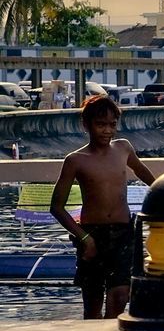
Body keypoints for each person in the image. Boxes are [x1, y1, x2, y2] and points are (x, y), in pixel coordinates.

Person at [51, 95, 156, 319]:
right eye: (100, 125)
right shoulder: (75, 160)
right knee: (93, 303)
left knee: (120, 295)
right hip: (92, 234)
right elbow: (57, 207)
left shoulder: (123, 148)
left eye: (112, 125)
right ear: (86, 125)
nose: (107, 131)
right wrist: (84, 238)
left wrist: (163, 189)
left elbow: (141, 171)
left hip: (123, 232)